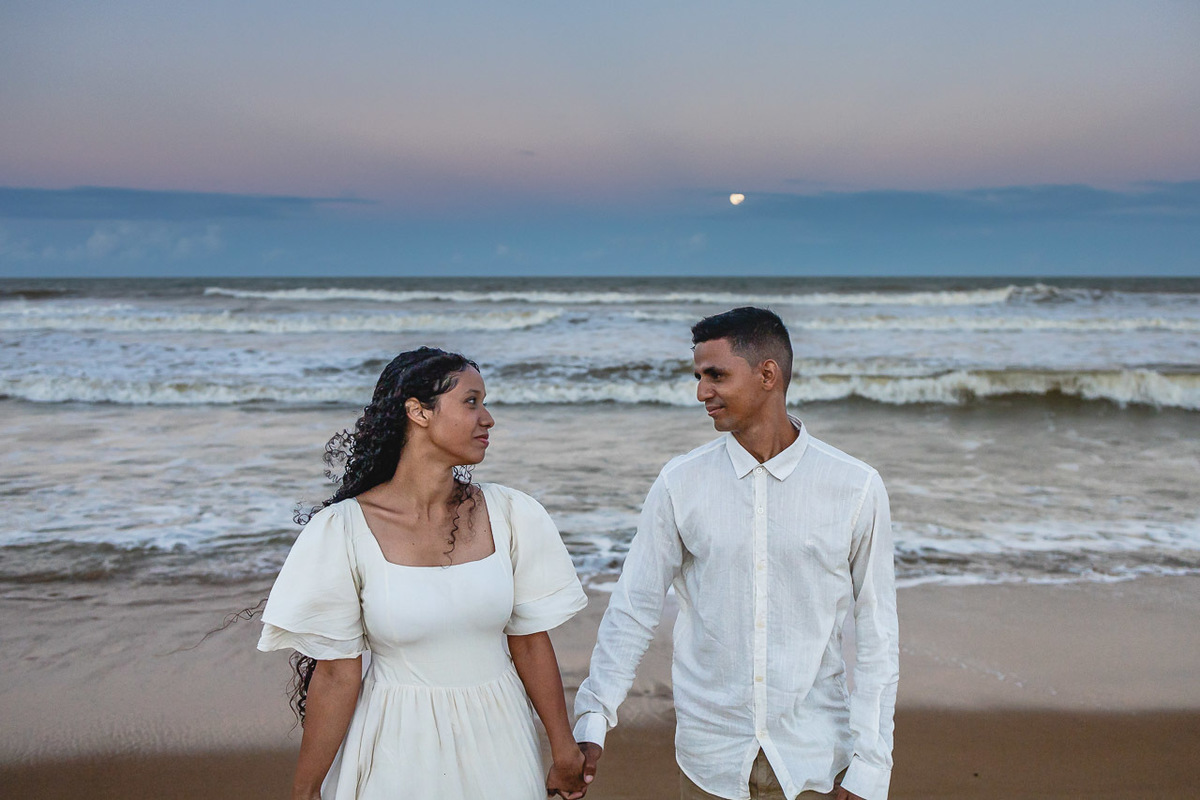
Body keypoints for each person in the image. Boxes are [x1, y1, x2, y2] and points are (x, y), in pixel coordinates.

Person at [573, 307, 899, 800]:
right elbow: (634, 606)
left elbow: (877, 633)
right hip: (710, 758)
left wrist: (871, 767)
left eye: (716, 375)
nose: (701, 392)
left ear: (768, 375)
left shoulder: (854, 486)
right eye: (699, 377)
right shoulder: (680, 483)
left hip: (814, 758)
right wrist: (595, 716)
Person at [257, 347, 590, 800]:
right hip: (396, 744)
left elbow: (530, 641)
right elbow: (336, 676)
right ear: (418, 412)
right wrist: (306, 790)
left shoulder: (511, 513)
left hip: (501, 739)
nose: (488, 418)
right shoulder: (344, 530)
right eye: (471, 402)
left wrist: (564, 748)